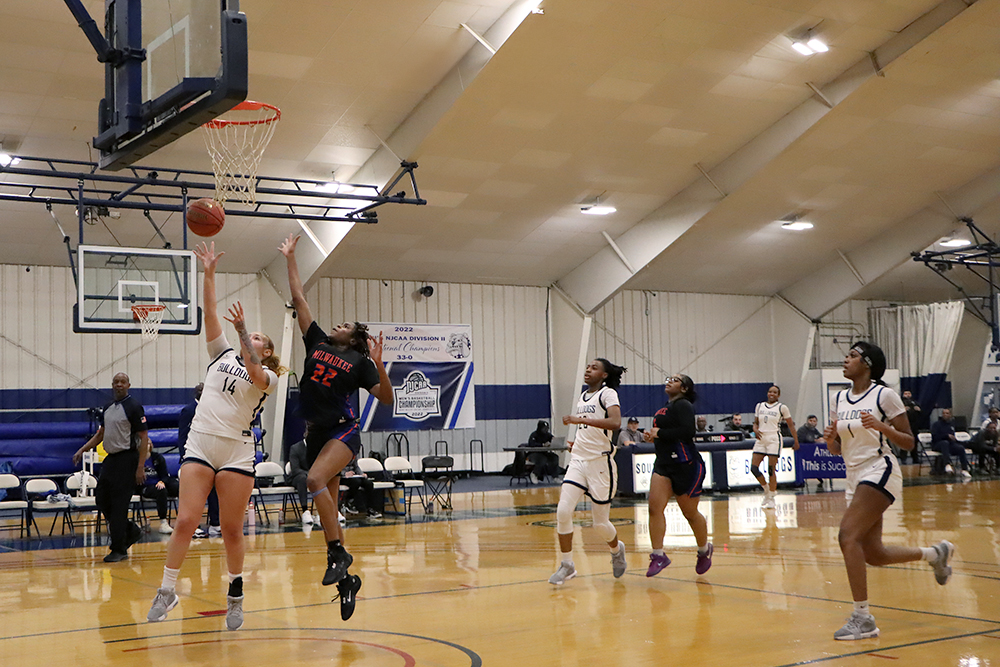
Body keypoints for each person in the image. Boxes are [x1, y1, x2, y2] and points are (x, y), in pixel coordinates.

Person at [147, 241, 285, 631]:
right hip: (202, 441)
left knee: (230, 530)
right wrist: (207, 273)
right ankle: (167, 589)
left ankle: (235, 596)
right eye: (250, 334)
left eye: (258, 336)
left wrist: (244, 331)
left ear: (267, 349)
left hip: (237, 450)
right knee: (186, 520)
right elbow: (211, 312)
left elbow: (256, 373)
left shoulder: (269, 377)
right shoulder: (221, 355)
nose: (251, 336)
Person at [281, 232, 393, 621]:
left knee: (313, 483)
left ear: (355, 339)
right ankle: (347, 579)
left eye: (344, 325)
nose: (336, 325)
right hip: (314, 433)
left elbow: (386, 399)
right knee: (325, 508)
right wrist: (291, 257)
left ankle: (338, 555)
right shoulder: (316, 343)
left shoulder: (361, 363)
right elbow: (299, 298)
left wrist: (379, 362)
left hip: (343, 432)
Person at [823, 341, 955, 641]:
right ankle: (934, 553)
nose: (846, 360)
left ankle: (862, 617)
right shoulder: (839, 398)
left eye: (852, 356)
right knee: (874, 553)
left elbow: (909, 442)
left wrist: (882, 428)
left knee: (847, 536)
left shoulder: (885, 395)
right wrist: (830, 439)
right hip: (853, 474)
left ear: (867, 364)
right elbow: (836, 449)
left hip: (879, 468)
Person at [548, 358, 627, 585]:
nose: (588, 370)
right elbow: (588, 428)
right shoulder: (583, 396)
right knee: (563, 512)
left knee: (600, 524)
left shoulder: (608, 394)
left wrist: (580, 420)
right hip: (579, 461)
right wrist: (578, 441)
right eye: (587, 366)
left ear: (603, 375)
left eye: (594, 367)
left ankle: (616, 550)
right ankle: (567, 565)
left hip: (600, 464)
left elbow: (614, 422)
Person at [74, 372, 150, 563]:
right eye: (116, 382)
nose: (119, 385)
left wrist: (140, 467)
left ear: (128, 385)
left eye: (122, 382)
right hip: (111, 459)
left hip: (127, 459)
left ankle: (119, 548)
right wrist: (82, 450)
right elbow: (101, 434)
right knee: (102, 498)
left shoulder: (133, 407)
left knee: (119, 505)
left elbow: (143, 437)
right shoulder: (108, 407)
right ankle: (130, 530)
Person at [643, 374, 712, 577]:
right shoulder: (666, 406)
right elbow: (665, 433)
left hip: (686, 465)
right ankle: (658, 555)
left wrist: (660, 434)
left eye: (675, 379)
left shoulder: (683, 405)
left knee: (690, 513)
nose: (669, 381)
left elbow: (687, 431)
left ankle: (704, 550)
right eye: (668, 378)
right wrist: (652, 438)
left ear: (684, 388)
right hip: (664, 464)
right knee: (654, 508)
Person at [180, 383, 221, 539]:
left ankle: (215, 524)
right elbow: (182, 436)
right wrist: (185, 457)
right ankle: (193, 526)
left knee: (214, 491)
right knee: (194, 494)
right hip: (194, 457)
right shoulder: (188, 410)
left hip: (211, 456)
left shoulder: (213, 409)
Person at [751, 385, 799, 509]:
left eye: (775, 392)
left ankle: (771, 497)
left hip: (774, 438)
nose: (771, 394)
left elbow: (791, 425)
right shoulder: (759, 406)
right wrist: (755, 429)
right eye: (770, 391)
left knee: (771, 469)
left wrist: (796, 441)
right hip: (761, 438)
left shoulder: (782, 407)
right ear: (767, 393)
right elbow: (755, 423)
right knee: (753, 468)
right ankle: (767, 490)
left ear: (778, 395)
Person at [140, 450, 179, 534]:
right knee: (161, 490)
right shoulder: (136, 459)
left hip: (160, 484)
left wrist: (162, 481)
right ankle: (163, 523)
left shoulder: (157, 457)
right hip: (145, 487)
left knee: (179, 487)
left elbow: (164, 474)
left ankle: (187, 521)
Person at [931, 408, 971, 480]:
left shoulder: (951, 425)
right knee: (945, 443)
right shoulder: (936, 424)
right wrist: (946, 436)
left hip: (949, 444)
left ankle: (964, 469)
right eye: (944, 413)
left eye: (947, 413)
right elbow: (935, 437)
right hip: (938, 444)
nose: (945, 415)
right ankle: (947, 464)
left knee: (960, 448)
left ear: (950, 415)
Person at [286, 434, 314, 525]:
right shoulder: (295, 448)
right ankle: (305, 510)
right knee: (302, 478)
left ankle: (332, 509)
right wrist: (309, 474)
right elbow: (295, 469)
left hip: (313, 476)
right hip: (296, 477)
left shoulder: (317, 448)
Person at [901, 390, 922, 464]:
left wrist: (919, 410)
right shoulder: (900, 403)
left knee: (915, 443)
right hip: (904, 425)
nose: (907, 395)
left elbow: (921, 414)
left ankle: (915, 459)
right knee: (903, 442)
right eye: (905, 393)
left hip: (914, 426)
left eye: (909, 393)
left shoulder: (915, 403)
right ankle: (903, 459)